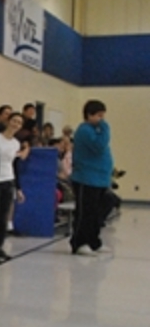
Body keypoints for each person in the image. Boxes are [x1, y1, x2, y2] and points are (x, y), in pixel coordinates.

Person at [70, 100, 113, 255]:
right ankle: (79, 242)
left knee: (97, 212)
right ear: (89, 115)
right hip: (86, 178)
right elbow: (99, 147)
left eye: (103, 116)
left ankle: (94, 241)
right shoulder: (85, 130)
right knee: (85, 212)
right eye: (99, 116)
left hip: (100, 179)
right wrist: (106, 128)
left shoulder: (97, 130)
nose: (102, 119)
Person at [0, 112, 27, 263]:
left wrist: (18, 188)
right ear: (8, 121)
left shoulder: (16, 143)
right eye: (14, 121)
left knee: (4, 217)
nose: (16, 124)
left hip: (8, 179)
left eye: (19, 123)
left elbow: (15, 166)